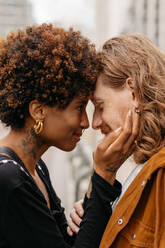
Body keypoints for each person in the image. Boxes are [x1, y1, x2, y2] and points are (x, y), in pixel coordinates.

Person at [0, 24, 139, 248]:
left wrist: (87, 208)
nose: (86, 122)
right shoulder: (9, 180)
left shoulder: (34, 168)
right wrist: (103, 176)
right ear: (38, 111)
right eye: (79, 108)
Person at [68, 33, 165, 247]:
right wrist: (96, 211)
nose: (95, 123)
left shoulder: (161, 173)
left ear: (134, 93)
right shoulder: (145, 168)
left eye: (100, 106)